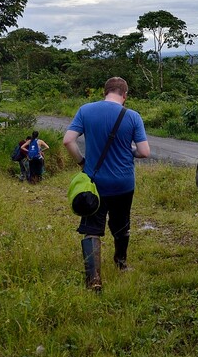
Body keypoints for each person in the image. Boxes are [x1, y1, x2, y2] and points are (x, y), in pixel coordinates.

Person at [63, 77, 151, 293]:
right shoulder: (132, 116)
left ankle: (93, 278)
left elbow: (68, 140)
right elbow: (145, 152)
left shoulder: (86, 110)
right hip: (123, 183)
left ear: (105, 91)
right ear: (125, 95)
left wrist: (82, 162)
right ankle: (121, 264)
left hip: (95, 183)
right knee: (122, 225)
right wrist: (129, 151)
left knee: (92, 228)